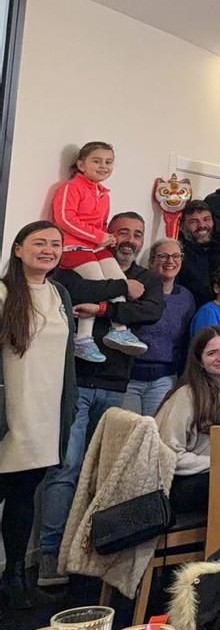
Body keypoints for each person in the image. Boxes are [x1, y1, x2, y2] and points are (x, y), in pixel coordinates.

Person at [39, 212, 165, 587]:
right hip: (75, 384)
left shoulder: (146, 278)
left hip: (116, 384)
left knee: (107, 474)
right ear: (107, 235)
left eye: (137, 234)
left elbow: (150, 311)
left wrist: (104, 308)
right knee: (65, 468)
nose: (129, 239)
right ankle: (50, 555)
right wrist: (118, 290)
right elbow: (71, 292)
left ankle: (91, 552)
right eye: (122, 231)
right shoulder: (74, 263)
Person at [0, 222, 76, 607]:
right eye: (39, 243)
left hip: (44, 416)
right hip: (7, 413)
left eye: (55, 244)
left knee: (21, 498)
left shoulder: (59, 293)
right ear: (18, 249)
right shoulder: (3, 293)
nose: (48, 250)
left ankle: (13, 574)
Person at [51, 142, 146, 362]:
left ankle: (120, 329)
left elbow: (100, 224)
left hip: (95, 247)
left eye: (109, 162)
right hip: (73, 247)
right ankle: (82, 338)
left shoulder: (103, 194)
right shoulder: (70, 188)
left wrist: (106, 238)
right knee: (98, 284)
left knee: (119, 280)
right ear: (81, 164)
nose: (103, 166)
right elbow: (64, 219)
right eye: (97, 161)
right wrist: (98, 236)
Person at [154, 327, 220, 515]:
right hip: (176, 484)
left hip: (214, 474)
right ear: (200, 361)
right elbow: (168, 456)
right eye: (212, 353)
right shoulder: (186, 395)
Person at [125, 238, 196, 415]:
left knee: (155, 434)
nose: (170, 261)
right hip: (130, 377)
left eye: (176, 256)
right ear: (151, 261)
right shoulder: (137, 291)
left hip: (164, 379)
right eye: (163, 256)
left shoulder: (186, 297)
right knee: (127, 433)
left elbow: (185, 340)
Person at [178, 200, 219, 305]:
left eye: (207, 219)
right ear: (182, 227)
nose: (202, 225)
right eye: (193, 221)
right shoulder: (178, 253)